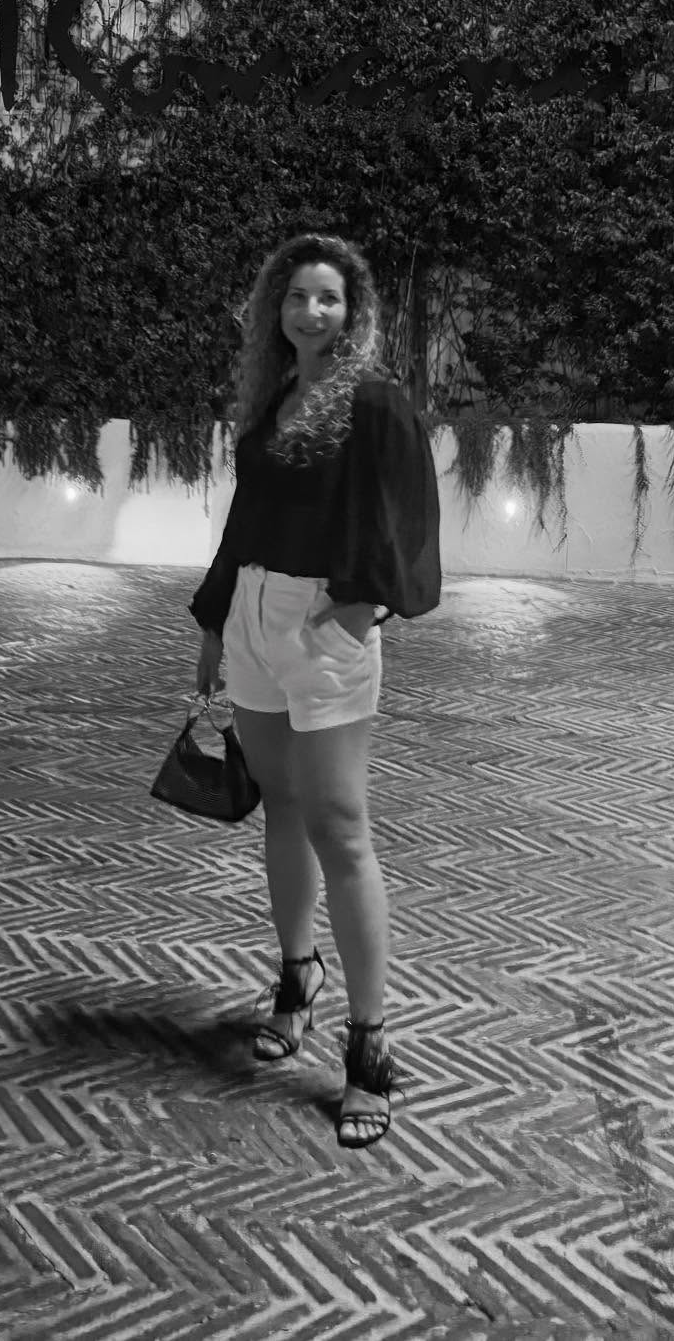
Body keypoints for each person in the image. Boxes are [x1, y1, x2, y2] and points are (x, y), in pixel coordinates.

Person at [189, 231, 441, 1150]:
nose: (310, 311)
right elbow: (245, 517)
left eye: (327, 297)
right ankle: (298, 975)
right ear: (276, 308)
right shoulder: (276, 399)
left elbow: (412, 509)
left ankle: (369, 1047)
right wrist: (215, 620)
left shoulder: (373, 399)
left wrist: (367, 601)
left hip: (323, 624)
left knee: (340, 826)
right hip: (255, 617)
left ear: (353, 309)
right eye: (296, 296)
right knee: (282, 809)